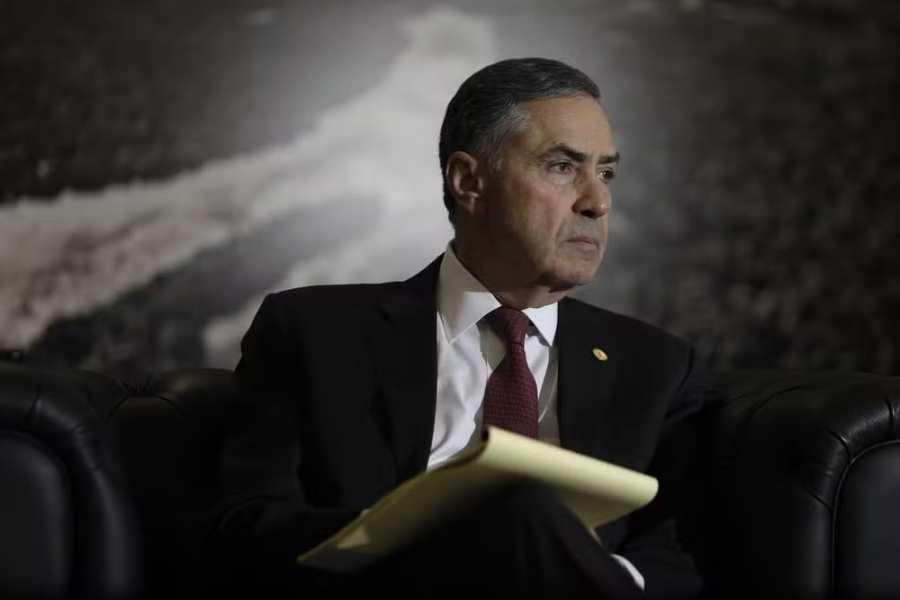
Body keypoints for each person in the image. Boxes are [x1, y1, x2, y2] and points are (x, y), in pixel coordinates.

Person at [209, 57, 706, 599]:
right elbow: (247, 528)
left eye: (605, 172)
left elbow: (685, 553)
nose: (598, 201)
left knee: (528, 509)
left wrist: (579, 567)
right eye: (563, 167)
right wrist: (436, 532)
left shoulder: (655, 366)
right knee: (516, 503)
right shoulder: (314, 334)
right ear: (469, 182)